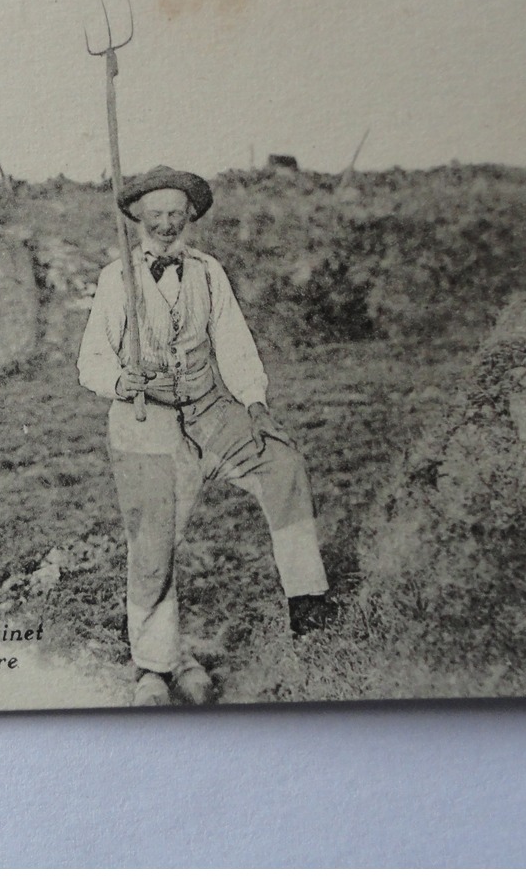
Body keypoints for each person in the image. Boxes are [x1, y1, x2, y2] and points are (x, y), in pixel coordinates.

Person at [76, 165, 334, 707]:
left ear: (189, 216)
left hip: (210, 408)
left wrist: (256, 402)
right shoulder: (115, 278)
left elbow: (235, 343)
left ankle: (311, 614)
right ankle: (157, 668)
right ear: (138, 218)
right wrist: (121, 380)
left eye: (176, 214)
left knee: (283, 467)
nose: (166, 224)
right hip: (144, 421)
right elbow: (91, 361)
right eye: (156, 215)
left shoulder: (208, 271)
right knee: (154, 544)